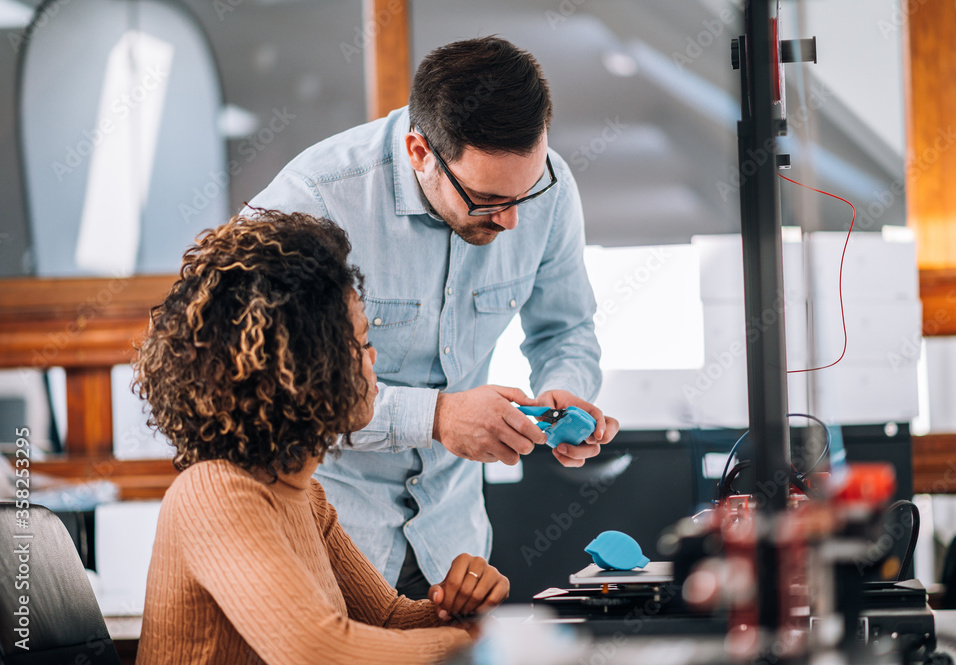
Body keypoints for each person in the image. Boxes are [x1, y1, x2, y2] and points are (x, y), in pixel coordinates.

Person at [245, 36, 620, 599]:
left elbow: (565, 329)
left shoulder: (549, 187)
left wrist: (563, 394)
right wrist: (438, 416)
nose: (513, 222)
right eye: (487, 200)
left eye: (528, 190)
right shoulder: (312, 204)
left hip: (455, 550)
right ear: (421, 152)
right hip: (325, 544)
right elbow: (272, 393)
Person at [134, 211, 508, 665]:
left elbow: (386, 620)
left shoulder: (304, 495)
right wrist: (470, 643)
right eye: (358, 344)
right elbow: (320, 653)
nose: (372, 359)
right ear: (300, 368)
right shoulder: (214, 493)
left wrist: (459, 611)